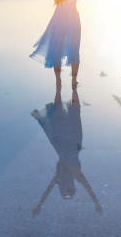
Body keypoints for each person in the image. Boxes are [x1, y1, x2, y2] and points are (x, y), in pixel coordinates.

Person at [25, 0, 100, 88]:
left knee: (56, 51)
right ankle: (73, 80)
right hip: (73, 22)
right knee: (74, 51)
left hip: (58, 22)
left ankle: (58, 80)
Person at [31, 88, 103, 216]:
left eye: (65, 189)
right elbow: (88, 188)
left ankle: (64, 88)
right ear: (72, 187)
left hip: (65, 144)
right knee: (73, 115)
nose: (67, 186)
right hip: (71, 142)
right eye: (69, 188)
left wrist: (39, 205)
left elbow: (48, 190)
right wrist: (96, 203)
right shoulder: (75, 174)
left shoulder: (62, 177)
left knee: (68, 116)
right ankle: (71, 87)